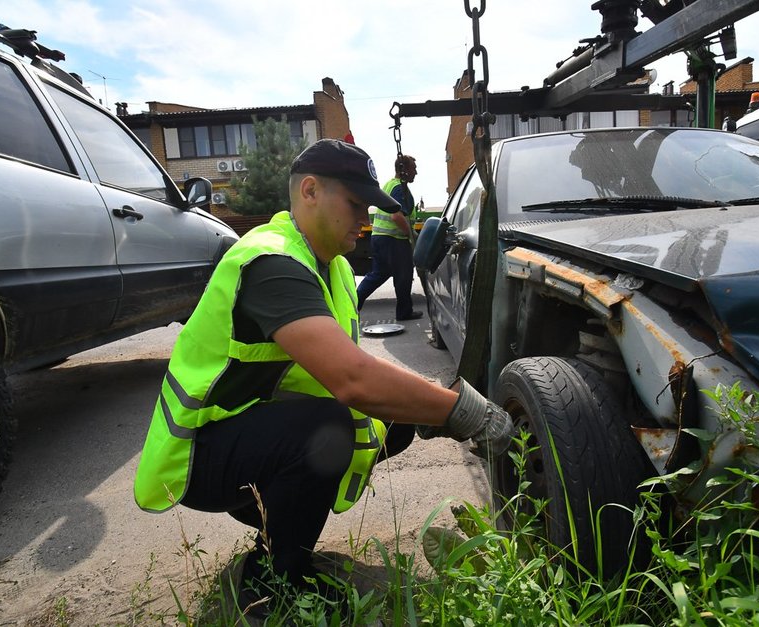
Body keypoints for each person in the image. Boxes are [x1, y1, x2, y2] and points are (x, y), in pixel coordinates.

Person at [132, 138, 513, 616]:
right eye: (356, 204)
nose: (365, 219)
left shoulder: (328, 267)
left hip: (246, 432)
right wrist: (466, 412)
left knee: (391, 422)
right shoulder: (272, 263)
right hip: (197, 454)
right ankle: (273, 578)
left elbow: (357, 372)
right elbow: (353, 380)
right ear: (309, 190)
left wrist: (430, 404)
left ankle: (283, 530)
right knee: (328, 425)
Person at [355, 154, 422, 320]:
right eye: (413, 168)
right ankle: (404, 312)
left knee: (379, 274)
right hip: (394, 240)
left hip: (380, 238)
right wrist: (411, 234)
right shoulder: (400, 188)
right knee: (404, 275)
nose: (416, 172)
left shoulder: (390, 185)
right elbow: (396, 216)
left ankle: (354, 303)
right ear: (403, 170)